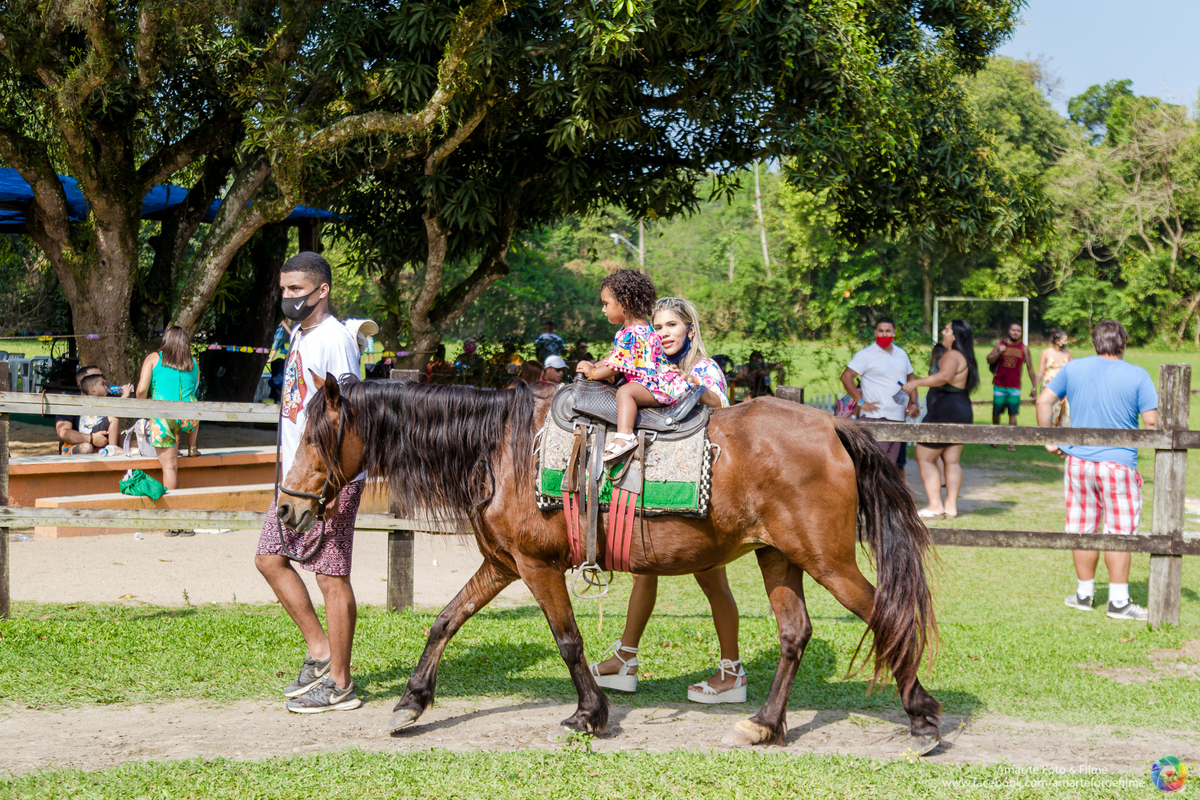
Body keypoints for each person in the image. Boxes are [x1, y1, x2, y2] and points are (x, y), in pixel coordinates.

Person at [589, 296, 746, 703]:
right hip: (656, 481)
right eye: (658, 327)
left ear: (690, 329)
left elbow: (721, 408)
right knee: (645, 570)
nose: (663, 334)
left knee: (712, 578)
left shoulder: (702, 368)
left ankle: (731, 670)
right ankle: (625, 658)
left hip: (698, 486)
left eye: (672, 326)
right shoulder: (658, 368)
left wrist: (690, 388)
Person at [255, 251, 367, 712]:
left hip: (327, 479)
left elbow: (350, 415)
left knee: (330, 575)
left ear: (322, 291)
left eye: (296, 290)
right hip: (297, 477)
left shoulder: (336, 340)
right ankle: (321, 652)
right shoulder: (302, 333)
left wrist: (337, 487)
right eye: (284, 290)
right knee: (269, 559)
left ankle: (340, 685)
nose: (288, 298)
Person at [1037, 320, 1158, 622]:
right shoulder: (1138, 375)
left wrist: (1049, 439)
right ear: (1124, 344)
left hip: (1078, 462)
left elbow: (1044, 400)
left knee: (1083, 528)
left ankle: (1083, 594)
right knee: (1119, 531)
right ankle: (1118, 602)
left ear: (1094, 343)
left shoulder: (1073, 368)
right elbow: (1152, 424)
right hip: (1118, 463)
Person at [575, 269, 688, 463]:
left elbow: (615, 366)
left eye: (606, 304)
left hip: (655, 384)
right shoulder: (630, 330)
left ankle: (625, 437)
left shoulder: (635, 333)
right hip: (648, 382)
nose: (603, 310)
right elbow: (615, 357)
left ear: (624, 303)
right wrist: (595, 364)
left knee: (625, 393)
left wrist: (593, 373)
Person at [902, 321, 979, 519]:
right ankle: (950, 507)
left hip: (944, 412)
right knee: (952, 461)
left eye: (947, 330)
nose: (943, 332)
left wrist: (916, 382)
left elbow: (944, 377)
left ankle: (935, 505)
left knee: (925, 457)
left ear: (955, 336)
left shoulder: (953, 355)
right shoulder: (964, 356)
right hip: (960, 410)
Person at [840, 318, 918, 464]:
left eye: (888, 331)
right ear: (875, 332)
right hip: (875, 417)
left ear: (894, 333)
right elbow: (846, 376)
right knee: (876, 466)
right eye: (880, 331)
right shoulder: (866, 355)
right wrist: (861, 402)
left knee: (892, 466)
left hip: (898, 418)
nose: (884, 334)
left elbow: (911, 379)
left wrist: (915, 403)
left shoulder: (901, 354)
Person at [135, 326, 201, 495]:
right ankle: (192, 447)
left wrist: (145, 403)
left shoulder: (153, 358)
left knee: (170, 467)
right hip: (190, 416)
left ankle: (172, 508)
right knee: (193, 404)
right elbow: (194, 387)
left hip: (164, 416)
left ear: (165, 340)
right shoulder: (193, 362)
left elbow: (141, 390)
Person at [986, 322, 1038, 451]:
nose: (1015, 332)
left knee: (1012, 413)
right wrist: (999, 352)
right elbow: (989, 359)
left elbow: (1030, 368)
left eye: (1018, 331)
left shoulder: (1024, 348)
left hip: (1014, 387)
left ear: (1021, 333)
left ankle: (1011, 441)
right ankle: (995, 437)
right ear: (1009, 330)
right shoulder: (1000, 344)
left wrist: (1034, 387)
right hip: (999, 385)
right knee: (996, 413)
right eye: (1013, 330)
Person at [55, 365, 121, 454]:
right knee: (86, 448)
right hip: (76, 446)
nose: (102, 379)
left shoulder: (107, 397)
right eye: (95, 377)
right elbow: (63, 433)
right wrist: (92, 438)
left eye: (102, 376)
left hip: (103, 447)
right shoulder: (70, 402)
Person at [1037, 330, 1072, 428]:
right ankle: (1049, 437)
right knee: (1051, 412)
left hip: (1065, 386)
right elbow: (1040, 372)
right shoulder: (1046, 352)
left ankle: (1062, 440)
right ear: (1057, 341)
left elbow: (1072, 369)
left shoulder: (1067, 352)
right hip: (1049, 386)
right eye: (1064, 340)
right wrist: (1033, 387)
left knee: (1065, 413)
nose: (1066, 342)